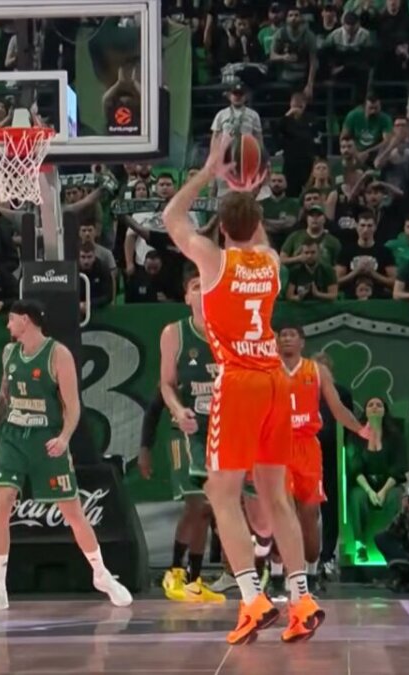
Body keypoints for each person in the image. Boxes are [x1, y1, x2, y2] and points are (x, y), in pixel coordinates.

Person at [161, 134, 322, 645]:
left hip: (240, 382)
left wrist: (210, 171)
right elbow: (260, 237)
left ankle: (252, 598)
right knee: (276, 495)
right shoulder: (271, 265)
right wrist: (251, 191)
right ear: (256, 225)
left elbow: (170, 217)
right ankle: (301, 598)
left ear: (222, 228)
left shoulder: (213, 262)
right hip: (277, 381)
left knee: (221, 494)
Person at [0, 300, 132, 612]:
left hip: (47, 438)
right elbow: (4, 399)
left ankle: (102, 574)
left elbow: (73, 405)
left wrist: (64, 438)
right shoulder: (9, 353)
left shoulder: (58, 354)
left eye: (11, 320)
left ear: (25, 321)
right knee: (1, 504)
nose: (8, 326)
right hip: (14, 437)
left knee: (72, 512)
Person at [277, 325, 366, 593]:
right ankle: (281, 575)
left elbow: (338, 409)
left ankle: (311, 574)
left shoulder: (316, 371)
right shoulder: (267, 369)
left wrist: (361, 429)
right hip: (277, 447)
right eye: (283, 335)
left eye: (292, 334)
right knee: (280, 514)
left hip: (306, 447)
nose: (287, 338)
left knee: (308, 514)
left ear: (302, 342)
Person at [156, 275, 222, 603]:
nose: (202, 289)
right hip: (185, 428)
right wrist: (179, 411)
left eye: (206, 284)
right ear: (187, 297)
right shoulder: (174, 333)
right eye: (195, 285)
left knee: (207, 509)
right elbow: (166, 384)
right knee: (196, 501)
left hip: (219, 428)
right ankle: (174, 571)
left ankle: (195, 578)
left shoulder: (228, 331)